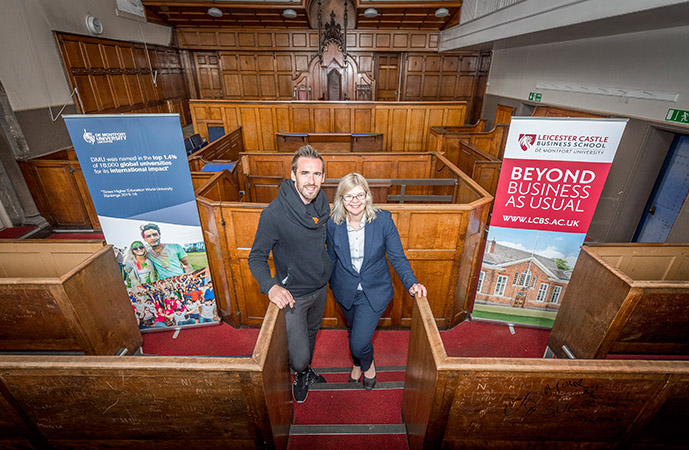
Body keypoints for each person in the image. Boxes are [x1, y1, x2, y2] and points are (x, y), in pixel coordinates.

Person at [248, 145, 333, 403]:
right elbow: (256, 258)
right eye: (305, 173)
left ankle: (305, 374)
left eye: (316, 174)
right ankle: (301, 371)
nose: (311, 180)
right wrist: (272, 286)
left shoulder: (323, 204)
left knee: (312, 333)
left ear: (323, 177)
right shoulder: (273, 214)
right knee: (299, 358)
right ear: (293, 175)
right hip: (294, 295)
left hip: (320, 288)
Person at [326, 173, 427, 390]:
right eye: (349, 196)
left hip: (374, 292)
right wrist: (327, 284)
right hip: (344, 290)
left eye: (359, 195)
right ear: (341, 199)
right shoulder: (333, 224)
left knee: (359, 342)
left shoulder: (383, 220)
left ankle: (368, 365)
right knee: (353, 330)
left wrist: (412, 283)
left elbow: (397, 257)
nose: (355, 201)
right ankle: (356, 364)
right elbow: (331, 259)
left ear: (367, 196)